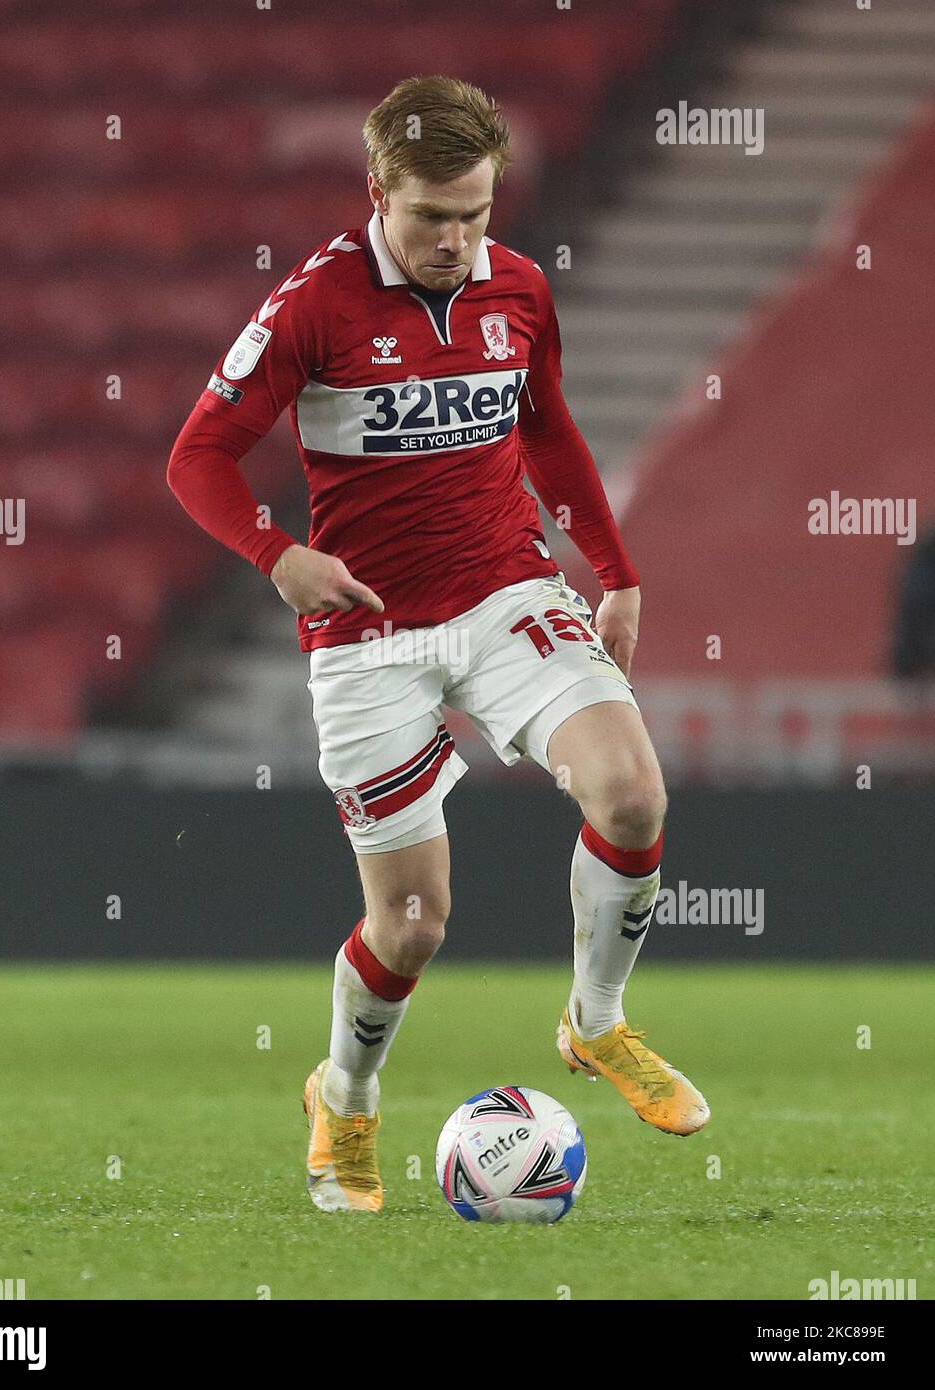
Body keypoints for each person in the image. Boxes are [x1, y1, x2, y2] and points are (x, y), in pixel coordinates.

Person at [168, 75, 710, 1215]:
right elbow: (197, 459)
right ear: (377, 193)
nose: (456, 240)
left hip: (506, 590)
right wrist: (278, 557)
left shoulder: (516, 288)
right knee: (411, 925)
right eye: (430, 215)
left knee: (631, 799)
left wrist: (613, 568)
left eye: (475, 211)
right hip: (366, 631)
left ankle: (596, 1023)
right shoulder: (312, 305)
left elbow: (547, 426)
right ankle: (347, 1096)